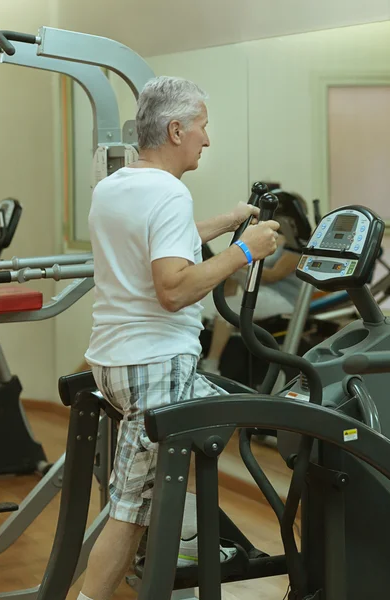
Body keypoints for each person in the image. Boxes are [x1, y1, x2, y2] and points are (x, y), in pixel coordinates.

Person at [78, 75, 280, 600]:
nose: (206, 140)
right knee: (128, 509)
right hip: (156, 366)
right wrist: (247, 250)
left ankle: (184, 545)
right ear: (175, 129)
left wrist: (227, 222)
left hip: (116, 363)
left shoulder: (115, 185)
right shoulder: (169, 191)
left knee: (236, 419)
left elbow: (159, 240)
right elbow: (172, 288)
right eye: (202, 128)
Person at [200, 232, 302, 375]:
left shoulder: (296, 247)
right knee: (230, 273)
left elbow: (273, 275)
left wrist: (238, 262)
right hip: (265, 291)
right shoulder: (280, 241)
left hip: (284, 299)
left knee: (230, 307)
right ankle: (226, 319)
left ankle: (211, 363)